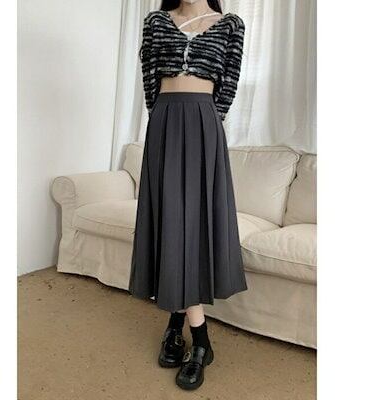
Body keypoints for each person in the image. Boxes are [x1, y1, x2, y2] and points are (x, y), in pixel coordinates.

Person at [128, 0, 247, 390]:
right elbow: (150, 80)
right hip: (164, 121)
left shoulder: (230, 25)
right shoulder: (156, 21)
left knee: (192, 225)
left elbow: (228, 85)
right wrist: (165, 121)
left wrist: (204, 123)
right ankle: (199, 340)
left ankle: (182, 329)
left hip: (203, 123)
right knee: (170, 220)